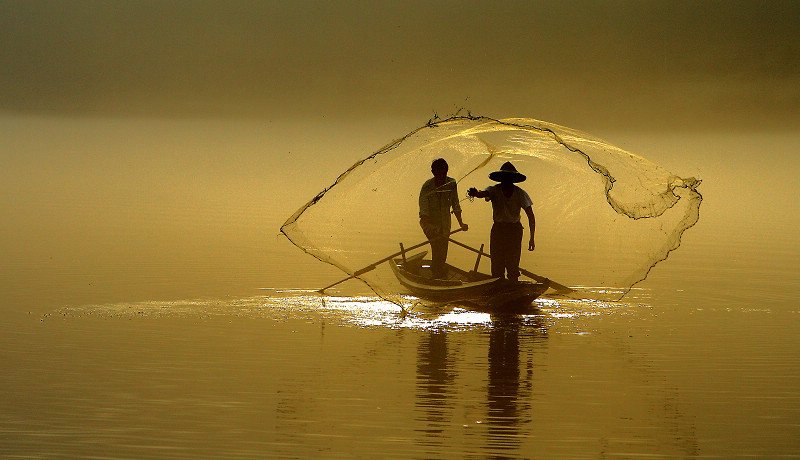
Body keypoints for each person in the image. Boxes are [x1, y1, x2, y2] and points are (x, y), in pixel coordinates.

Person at [467, 161, 535, 282]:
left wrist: (531, 238)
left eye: (509, 178)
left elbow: (531, 215)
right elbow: (483, 194)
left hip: (514, 231)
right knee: (497, 264)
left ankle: (512, 288)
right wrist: (475, 193)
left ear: (513, 179)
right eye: (505, 178)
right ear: (501, 179)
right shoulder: (494, 190)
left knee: (512, 265)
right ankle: (498, 287)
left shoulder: (520, 194)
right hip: (498, 230)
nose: (507, 180)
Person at [419, 158, 468, 279]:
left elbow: (455, 204)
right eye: (438, 173)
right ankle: (437, 273)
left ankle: (438, 271)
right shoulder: (427, 186)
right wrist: (429, 226)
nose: (441, 176)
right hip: (429, 224)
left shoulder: (451, 184)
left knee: (443, 249)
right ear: (433, 172)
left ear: (446, 171)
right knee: (437, 247)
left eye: (443, 172)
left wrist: (461, 223)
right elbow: (423, 209)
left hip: (445, 224)